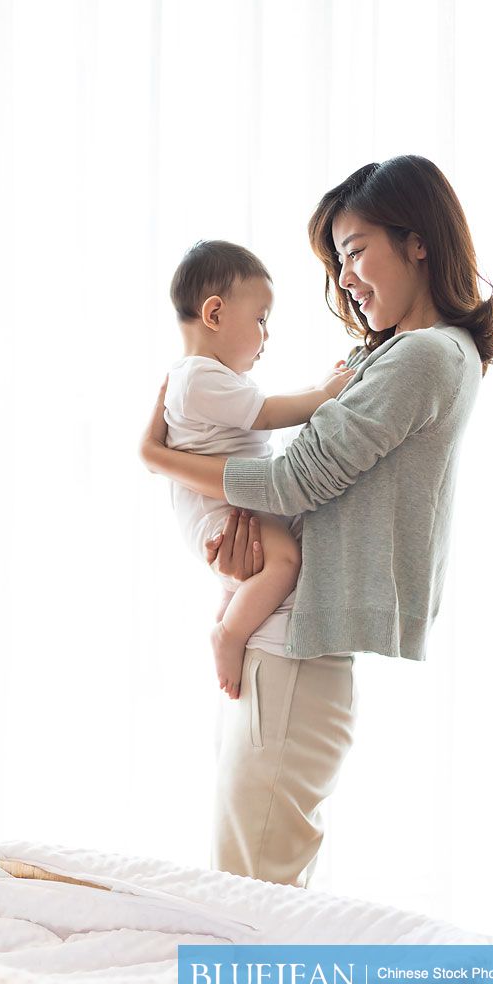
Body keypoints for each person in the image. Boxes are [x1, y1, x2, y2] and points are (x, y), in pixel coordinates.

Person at [140, 155, 493, 888]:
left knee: (250, 899)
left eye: (352, 251)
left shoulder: (426, 356)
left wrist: (158, 455)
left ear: (418, 241)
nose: (343, 278)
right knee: (255, 886)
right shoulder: (407, 353)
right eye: (336, 262)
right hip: (287, 645)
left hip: (293, 653)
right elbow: (298, 482)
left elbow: (290, 478)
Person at [164, 239, 355, 699]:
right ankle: (228, 633)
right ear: (214, 314)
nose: (266, 335)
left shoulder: (208, 378)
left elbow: (265, 409)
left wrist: (319, 388)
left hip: (232, 499)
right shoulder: (198, 377)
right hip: (219, 508)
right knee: (284, 561)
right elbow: (268, 413)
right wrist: (325, 393)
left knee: (267, 562)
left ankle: (228, 615)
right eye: (261, 320)